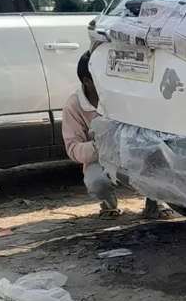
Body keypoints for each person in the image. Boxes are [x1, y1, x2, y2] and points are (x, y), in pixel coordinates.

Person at [62, 52, 170, 220]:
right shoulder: (74, 105)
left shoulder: (122, 94)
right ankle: (108, 202)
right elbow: (73, 148)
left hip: (132, 152)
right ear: (87, 82)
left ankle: (154, 201)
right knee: (97, 182)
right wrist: (101, 146)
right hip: (100, 158)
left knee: (158, 160)